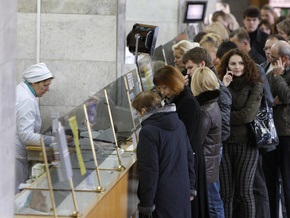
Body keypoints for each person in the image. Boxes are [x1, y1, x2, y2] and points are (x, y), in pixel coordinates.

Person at [153, 66, 210, 218]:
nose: (163, 92)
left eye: (165, 87)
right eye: (160, 88)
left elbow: (186, 136)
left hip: (190, 158)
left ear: (174, 83)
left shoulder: (187, 102)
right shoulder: (178, 99)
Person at [132, 91, 196, 218]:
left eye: (137, 112)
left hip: (162, 198)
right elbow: (189, 156)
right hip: (182, 191)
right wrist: (191, 187)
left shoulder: (148, 132)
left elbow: (149, 171)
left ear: (143, 110)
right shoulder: (179, 123)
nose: (137, 116)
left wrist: (146, 205)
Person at [217, 48, 263, 218]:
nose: (237, 67)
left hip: (247, 144)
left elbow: (247, 116)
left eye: (241, 63)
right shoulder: (221, 84)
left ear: (247, 64)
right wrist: (223, 87)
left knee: (244, 193)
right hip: (225, 142)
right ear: (227, 66)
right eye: (233, 63)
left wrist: (224, 116)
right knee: (226, 194)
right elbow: (216, 110)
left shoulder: (256, 84)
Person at [15, 63, 55, 193]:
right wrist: (52, 141)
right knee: (14, 197)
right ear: (34, 83)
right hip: (13, 156)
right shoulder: (26, 99)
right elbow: (26, 135)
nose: (47, 89)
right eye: (45, 85)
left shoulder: (22, 91)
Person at [190, 67, 224, 218]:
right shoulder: (213, 103)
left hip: (206, 164)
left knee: (213, 204)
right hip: (212, 160)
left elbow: (197, 140)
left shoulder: (204, 110)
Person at [265, 40, 290, 218]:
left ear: (285, 59)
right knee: (269, 181)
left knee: (288, 182)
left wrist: (279, 76)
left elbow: (287, 96)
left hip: (287, 134)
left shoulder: (277, 71)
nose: (270, 59)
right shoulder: (270, 69)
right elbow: (269, 96)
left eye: (274, 58)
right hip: (271, 133)